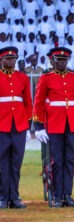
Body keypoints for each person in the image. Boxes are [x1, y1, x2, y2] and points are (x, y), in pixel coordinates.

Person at [33, 47, 74, 208]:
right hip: (55, 122)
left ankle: (67, 195)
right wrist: (39, 126)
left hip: (73, 122)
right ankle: (56, 194)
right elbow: (39, 102)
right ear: (52, 61)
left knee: (70, 159)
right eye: (59, 60)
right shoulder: (46, 78)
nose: (62, 63)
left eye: (65, 60)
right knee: (57, 160)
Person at [0, 47, 33, 209]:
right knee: (1, 162)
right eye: (7, 59)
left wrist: (26, 123)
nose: (11, 62)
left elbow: (28, 102)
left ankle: (14, 196)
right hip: (1, 124)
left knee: (16, 162)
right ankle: (2, 196)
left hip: (18, 125)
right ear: (1, 60)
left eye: (13, 59)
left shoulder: (22, 78)